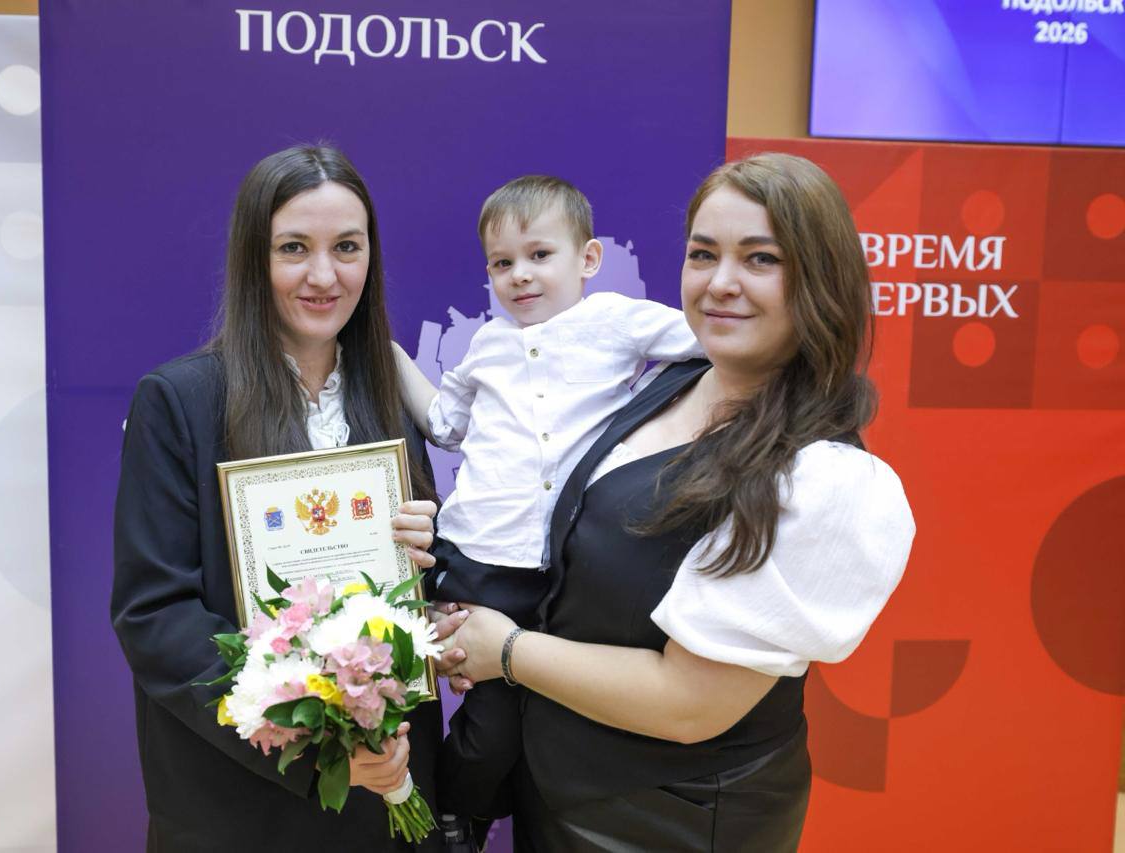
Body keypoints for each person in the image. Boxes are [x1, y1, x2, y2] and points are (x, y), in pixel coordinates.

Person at [439, 153, 916, 852]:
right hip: (556, 791)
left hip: (668, 823)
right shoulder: (671, 380)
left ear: (821, 279)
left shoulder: (822, 479)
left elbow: (689, 703)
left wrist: (506, 650)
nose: (721, 283)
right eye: (703, 254)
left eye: (760, 259)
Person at [111, 145, 465, 852]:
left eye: (347, 247)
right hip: (242, 804)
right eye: (294, 248)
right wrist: (314, 743)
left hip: (387, 790)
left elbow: (398, 598)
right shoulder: (181, 401)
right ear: (254, 258)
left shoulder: (388, 399)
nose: (324, 275)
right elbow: (155, 615)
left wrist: (429, 597)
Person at [392, 175, 703, 838]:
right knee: (491, 728)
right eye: (502, 263)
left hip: (574, 569)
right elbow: (444, 424)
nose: (520, 275)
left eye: (539, 255)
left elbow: (710, 344)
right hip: (482, 563)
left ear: (587, 259)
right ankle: (455, 816)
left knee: (557, 725)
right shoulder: (487, 345)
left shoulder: (617, 320)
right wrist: (387, 356)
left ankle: (485, 811)